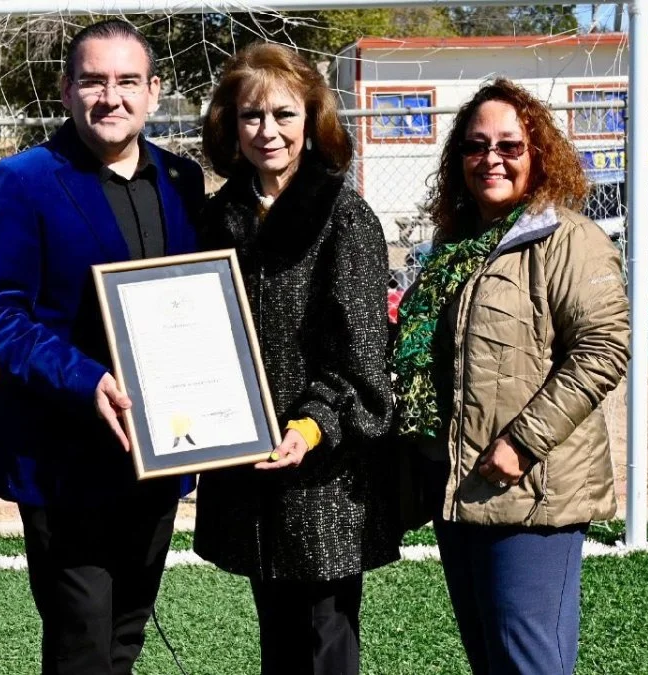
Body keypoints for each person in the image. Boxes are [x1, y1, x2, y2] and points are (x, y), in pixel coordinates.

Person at [0, 19, 204, 675]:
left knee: (125, 632)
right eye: (93, 81)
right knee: (80, 643)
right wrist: (83, 378)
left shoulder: (183, 182)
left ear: (153, 92)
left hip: (158, 449)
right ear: (66, 90)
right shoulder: (22, 180)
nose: (111, 96)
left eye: (127, 81)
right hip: (62, 451)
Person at [391, 78, 630, 675]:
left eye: (509, 145)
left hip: (530, 490)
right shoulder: (455, 246)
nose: (490, 158)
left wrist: (522, 444)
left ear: (538, 154)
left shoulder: (569, 240)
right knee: (492, 661)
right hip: (459, 486)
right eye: (475, 146)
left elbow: (603, 349)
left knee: (531, 662)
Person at [192, 43, 397, 675]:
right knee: (276, 641)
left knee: (324, 640)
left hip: (322, 478)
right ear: (230, 124)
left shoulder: (343, 215)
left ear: (312, 119)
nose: (268, 131)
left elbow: (363, 357)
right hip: (246, 470)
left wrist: (311, 426)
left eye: (284, 114)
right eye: (252, 115)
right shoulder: (217, 218)